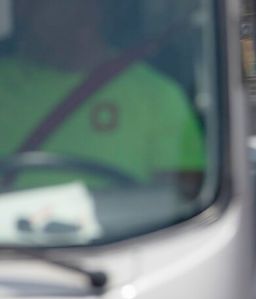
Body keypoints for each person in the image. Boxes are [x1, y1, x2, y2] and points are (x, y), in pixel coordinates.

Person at [0, 0, 206, 192]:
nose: (24, 12)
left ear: (93, 9)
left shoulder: (160, 99)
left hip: (138, 231)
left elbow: (182, 203)